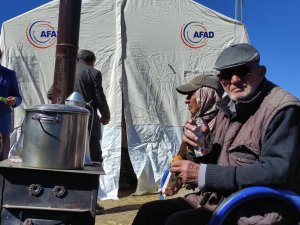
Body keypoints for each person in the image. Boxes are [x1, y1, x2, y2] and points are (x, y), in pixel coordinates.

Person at [132, 43, 300, 225]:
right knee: (150, 212)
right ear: (220, 79)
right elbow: (216, 164)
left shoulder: (283, 109)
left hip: (259, 207)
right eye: (227, 74)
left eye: (243, 71)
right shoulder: (227, 109)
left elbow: (278, 172)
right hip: (219, 199)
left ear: (261, 72)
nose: (234, 79)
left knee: (179, 222)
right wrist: (199, 148)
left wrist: (203, 174)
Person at [47, 49, 110, 164]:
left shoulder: (65, 70)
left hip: (65, 120)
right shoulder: (93, 73)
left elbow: (51, 94)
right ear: (91, 61)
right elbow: (99, 98)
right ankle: (92, 176)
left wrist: (66, 105)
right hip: (87, 118)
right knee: (93, 154)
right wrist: (105, 115)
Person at [0, 50, 22, 161]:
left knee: (2, 161)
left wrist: (14, 101)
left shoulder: (9, 74)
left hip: (2, 123)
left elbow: (18, 97)